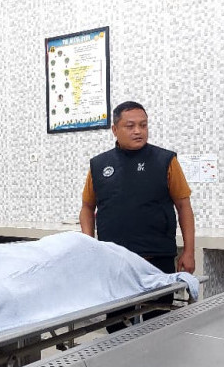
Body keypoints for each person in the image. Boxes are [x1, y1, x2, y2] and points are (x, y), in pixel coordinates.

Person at [79, 100, 195, 333]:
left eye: (143, 125)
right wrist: (90, 247)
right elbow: (87, 208)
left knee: (159, 324)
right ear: (115, 129)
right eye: (130, 126)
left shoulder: (165, 160)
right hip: (115, 261)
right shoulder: (99, 165)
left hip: (156, 257)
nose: (138, 131)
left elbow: (184, 206)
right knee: (116, 325)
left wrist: (189, 251)